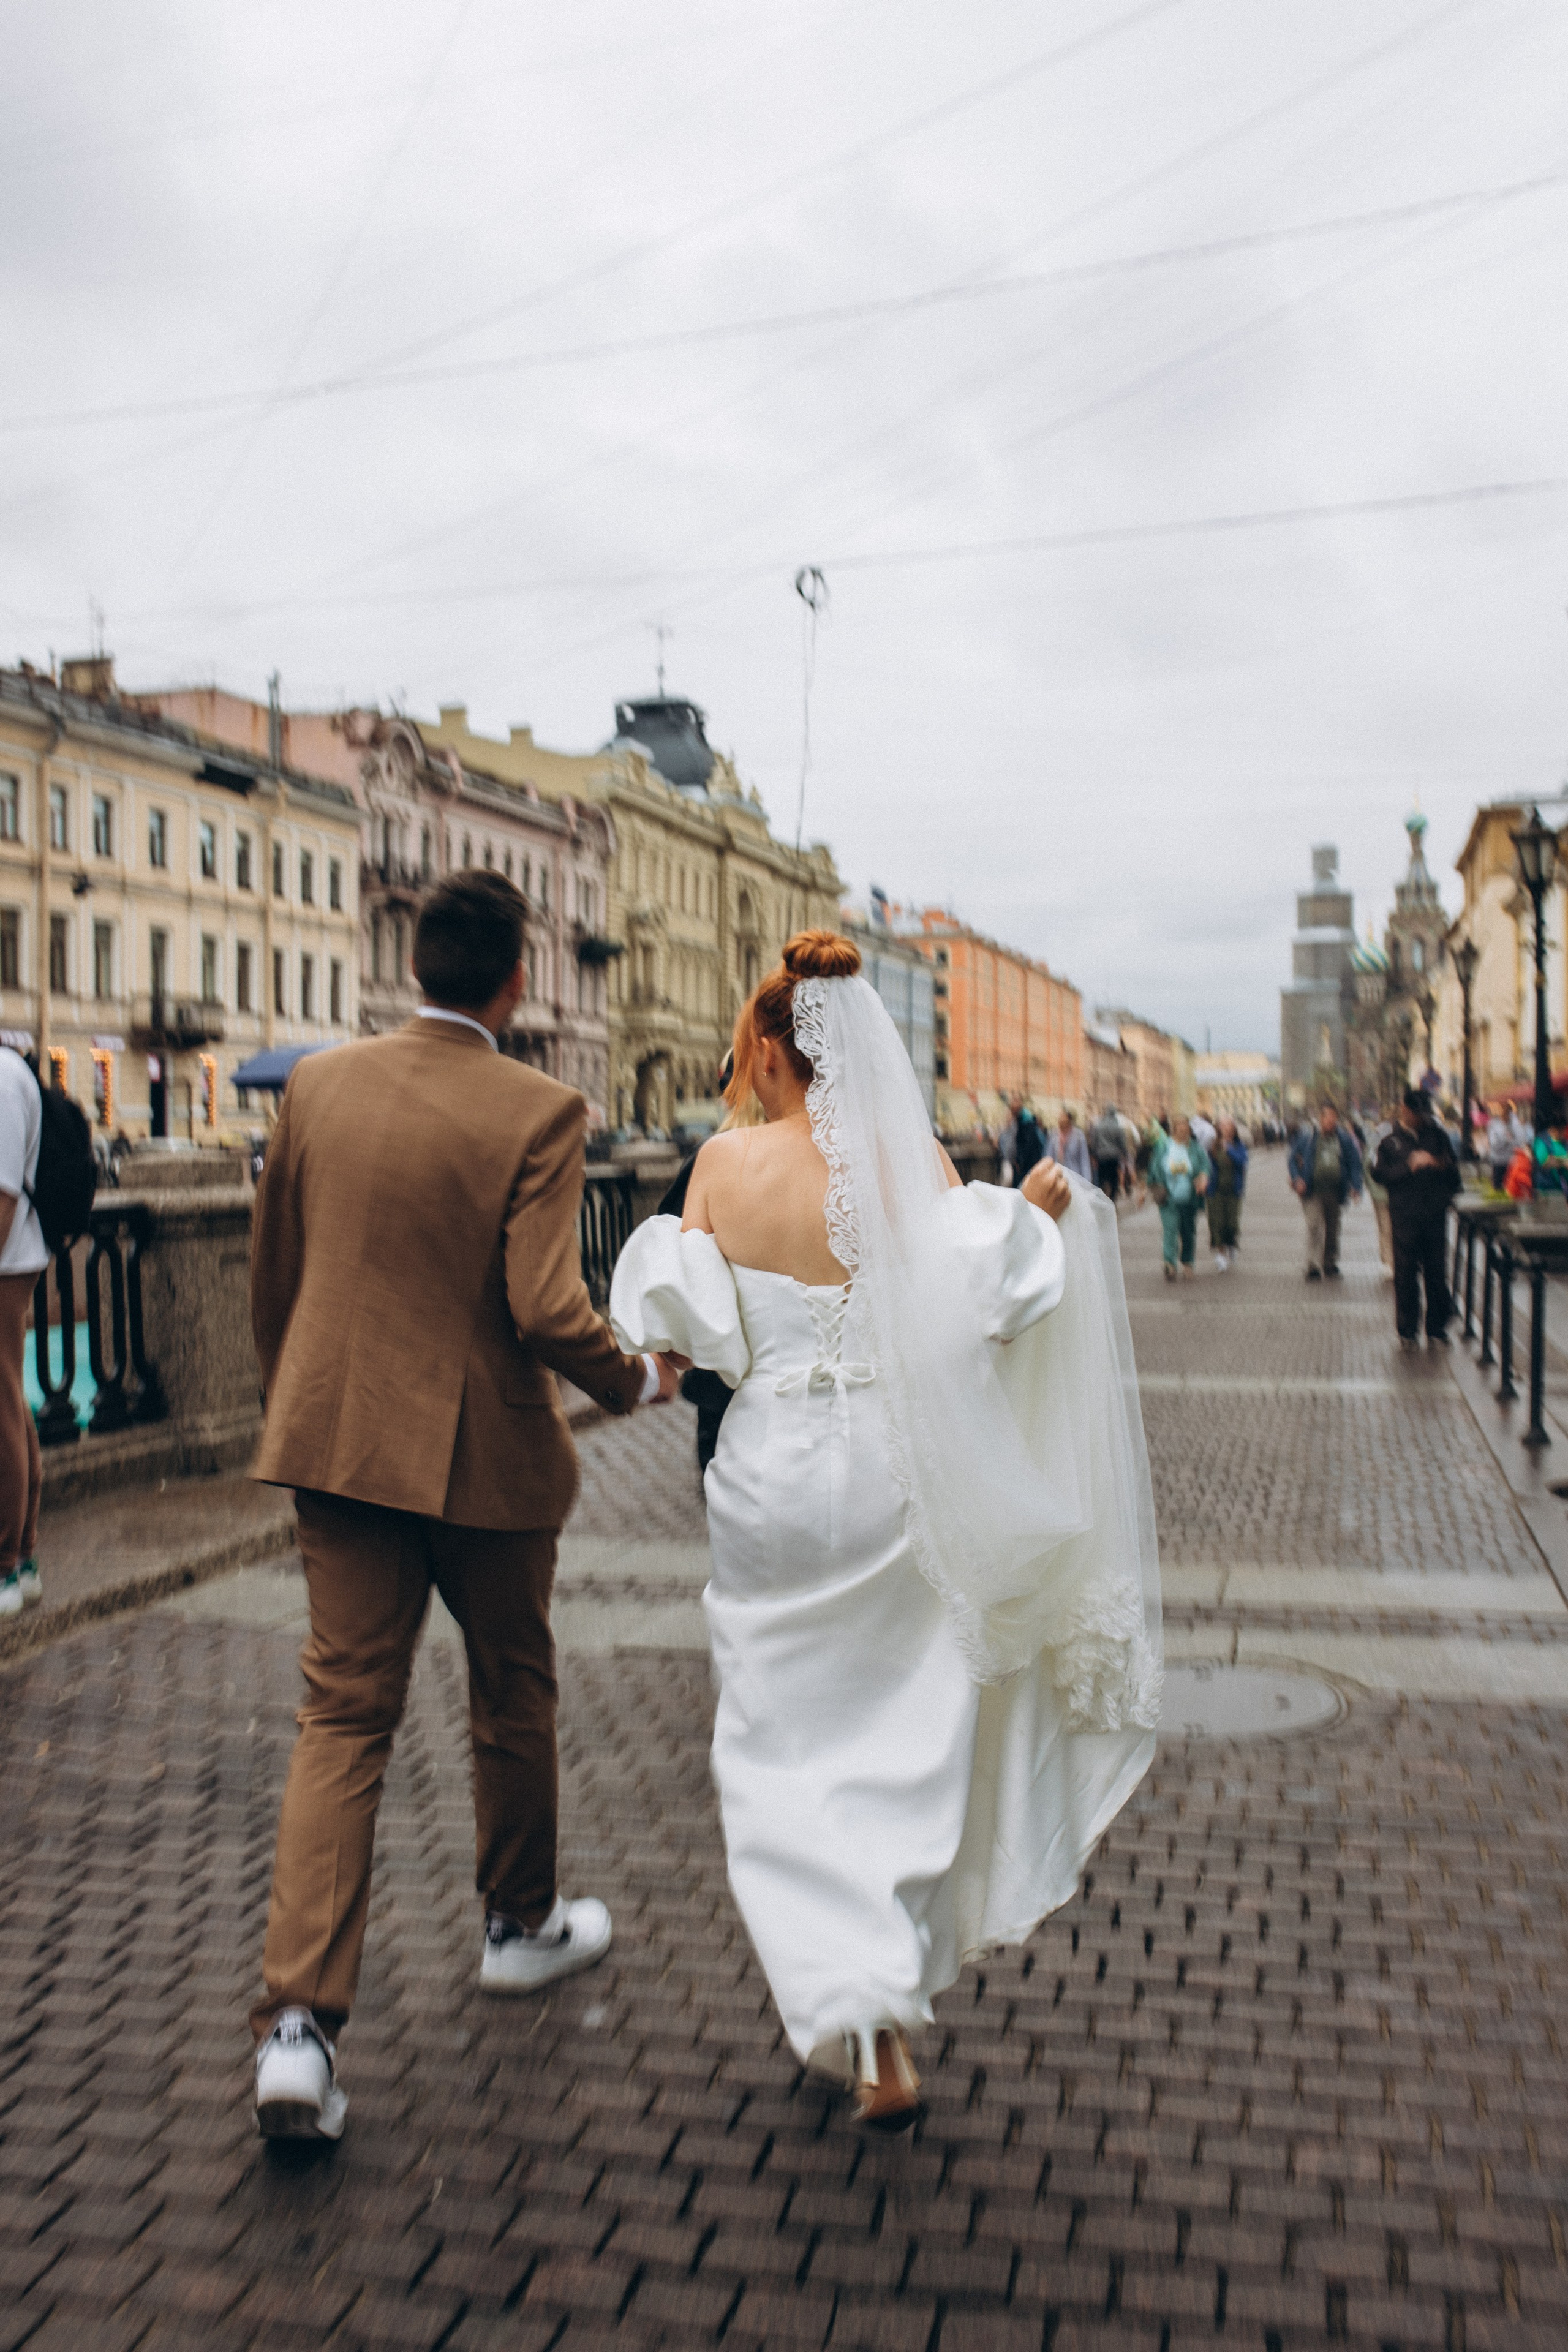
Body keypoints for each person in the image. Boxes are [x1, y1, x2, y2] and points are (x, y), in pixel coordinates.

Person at [609, 932, 1161, 2131]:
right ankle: (881, 2024)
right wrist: (1023, 1216)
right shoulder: (904, 1161)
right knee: (903, 1734)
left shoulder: (718, 1166)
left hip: (766, 1484)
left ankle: (846, 1999)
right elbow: (983, 1313)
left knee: (777, 1745)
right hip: (888, 1481)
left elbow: (681, 1344)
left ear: (767, 1051)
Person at [246, 872, 677, 2143]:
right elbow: (546, 1305)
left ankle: (297, 2035)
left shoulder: (316, 1085)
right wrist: (636, 1374)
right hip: (484, 1463)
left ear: (419, 962)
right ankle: (518, 1925)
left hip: (336, 1443)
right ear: (516, 981)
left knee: (341, 1720)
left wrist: (300, 1407)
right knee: (511, 1692)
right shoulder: (542, 1109)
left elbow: (278, 1269)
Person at [0, 1047, 47, 1619]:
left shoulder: (4, 1078)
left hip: (7, 1265)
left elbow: (4, 1197)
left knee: (3, 1407)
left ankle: (7, 1563)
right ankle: (25, 1556)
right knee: (12, 1400)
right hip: (13, 1260)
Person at [1373, 1088, 1461, 1349]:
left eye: (1424, 1113)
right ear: (1405, 1110)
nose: (1421, 1118)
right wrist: (1407, 1168)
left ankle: (1437, 1328)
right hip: (1404, 1217)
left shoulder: (1438, 1136)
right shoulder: (1390, 1140)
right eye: (1416, 1113)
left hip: (1434, 1215)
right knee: (1406, 1275)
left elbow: (1454, 1173)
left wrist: (1435, 1162)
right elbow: (1379, 1174)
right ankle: (1408, 1330)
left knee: (1436, 1273)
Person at [1289, 1104, 1363, 1281]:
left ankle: (1329, 1263)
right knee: (1314, 1226)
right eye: (1328, 1117)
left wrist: (1356, 1186)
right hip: (1312, 1190)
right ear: (1321, 1118)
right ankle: (1313, 1265)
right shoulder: (1308, 1137)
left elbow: (1354, 1164)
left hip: (1335, 1191)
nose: (1331, 1121)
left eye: (1334, 1117)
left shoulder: (1344, 1139)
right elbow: (1292, 1159)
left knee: (1333, 1228)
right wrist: (1296, 1178)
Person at [1148, 1114, 1210, 1281]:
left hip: (1190, 1198)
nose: (1184, 1129)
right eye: (1180, 1126)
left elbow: (1205, 1165)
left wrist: (1203, 1177)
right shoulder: (1164, 1147)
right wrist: (1145, 1189)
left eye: (1186, 1126)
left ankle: (1188, 1262)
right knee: (1170, 1231)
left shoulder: (1196, 1148)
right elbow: (1154, 1170)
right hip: (1168, 1199)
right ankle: (1169, 1264)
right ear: (1174, 1128)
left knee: (1188, 1232)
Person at [1205, 1115, 1247, 1272]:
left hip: (1233, 1191)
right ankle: (1221, 1255)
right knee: (1217, 1224)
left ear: (1234, 1129)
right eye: (1223, 1126)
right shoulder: (1213, 1146)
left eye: (1229, 1126)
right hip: (1215, 1191)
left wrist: (1229, 1149)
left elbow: (1242, 1162)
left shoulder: (1238, 1146)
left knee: (1232, 1224)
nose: (1226, 1129)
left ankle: (1231, 1244)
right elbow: (1206, 1165)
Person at [1042, 1106, 1092, 1182]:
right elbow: (1048, 1157)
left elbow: (1084, 1160)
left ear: (1069, 1119)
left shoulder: (1079, 1136)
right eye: (1059, 1116)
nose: (1060, 1118)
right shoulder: (1054, 1135)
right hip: (1058, 1178)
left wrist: (1087, 1181)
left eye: (1062, 1116)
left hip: (1075, 1179)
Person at [1089, 1105, 1126, 1200]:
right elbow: (1122, 1143)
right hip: (1114, 1157)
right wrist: (1124, 1155)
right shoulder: (1117, 1127)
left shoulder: (1098, 1126)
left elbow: (1094, 1142)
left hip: (1101, 1157)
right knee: (1114, 1180)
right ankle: (1113, 1199)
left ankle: (1103, 1199)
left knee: (1102, 1179)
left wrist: (1093, 1156)